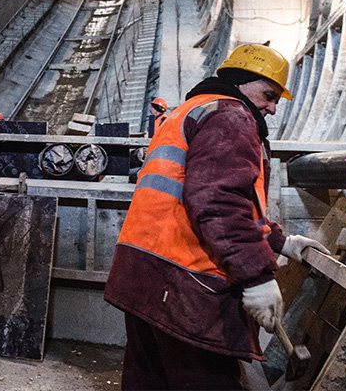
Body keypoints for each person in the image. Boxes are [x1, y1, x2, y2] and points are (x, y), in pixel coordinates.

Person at [104, 43, 330, 390]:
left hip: (143, 273)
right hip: (186, 284)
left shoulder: (188, 111)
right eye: (269, 95)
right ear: (241, 80)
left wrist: (281, 242)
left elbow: (209, 197)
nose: (271, 108)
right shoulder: (231, 115)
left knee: (149, 380)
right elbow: (218, 200)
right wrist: (256, 277)